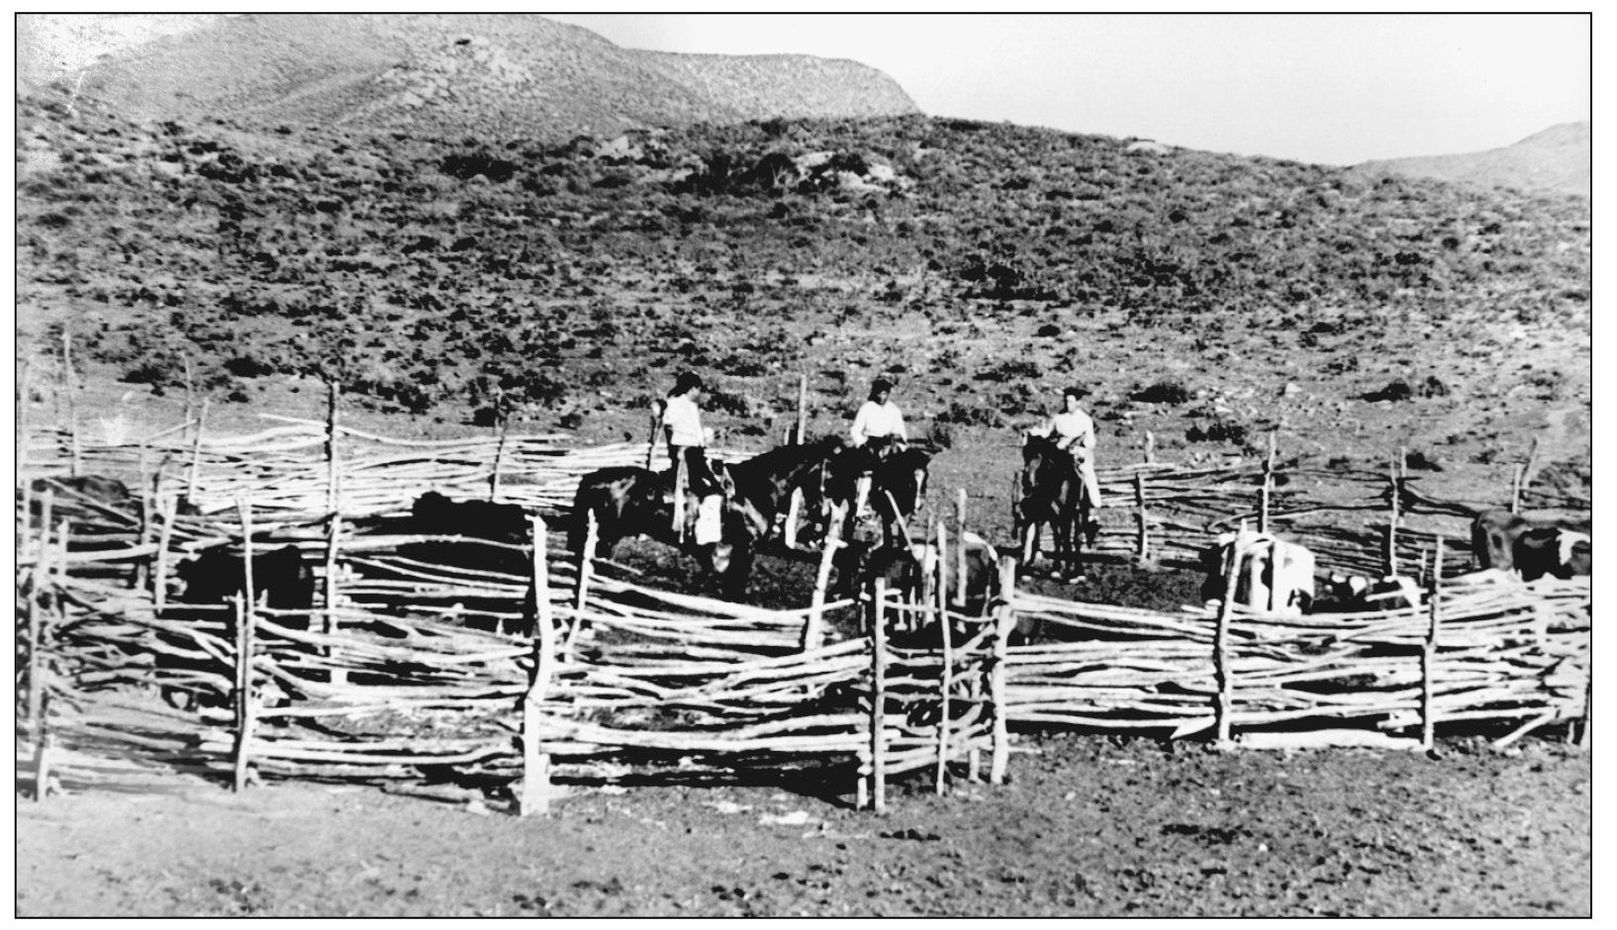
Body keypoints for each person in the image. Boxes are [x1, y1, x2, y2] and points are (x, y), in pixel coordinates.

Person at [849, 377, 908, 517]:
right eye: (880, 393)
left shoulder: (894, 410)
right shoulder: (867, 408)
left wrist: (897, 444)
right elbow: (856, 430)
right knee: (867, 475)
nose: (882, 397)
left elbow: (901, 432)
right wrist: (863, 444)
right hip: (870, 446)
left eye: (885, 394)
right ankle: (860, 507)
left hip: (888, 446)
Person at [660, 372, 721, 498]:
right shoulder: (677, 403)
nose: (699, 394)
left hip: (694, 449)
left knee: (709, 480)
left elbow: (696, 430)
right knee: (701, 483)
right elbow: (668, 421)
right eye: (699, 390)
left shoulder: (691, 405)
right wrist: (683, 435)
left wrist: (704, 439)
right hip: (686, 448)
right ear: (693, 389)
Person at [1041, 386, 1101, 507]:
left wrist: (1081, 446)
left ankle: (1093, 505)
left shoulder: (1085, 419)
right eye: (1066, 401)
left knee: (1087, 473)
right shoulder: (1058, 418)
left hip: (1078, 455)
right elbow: (1048, 433)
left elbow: (1091, 441)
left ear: (1078, 403)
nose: (1068, 404)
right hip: (1060, 454)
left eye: (1071, 402)